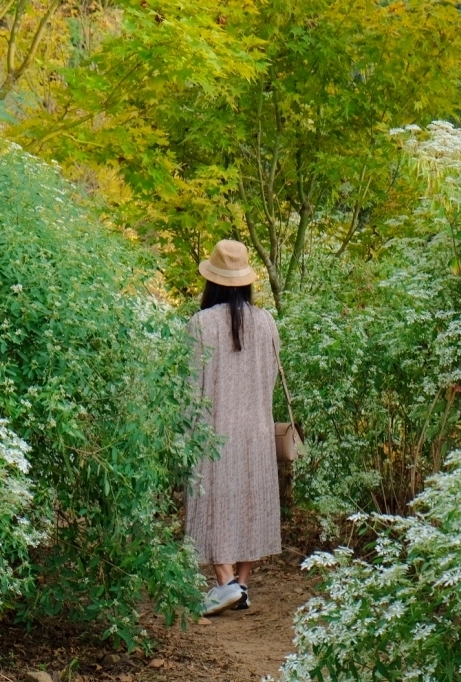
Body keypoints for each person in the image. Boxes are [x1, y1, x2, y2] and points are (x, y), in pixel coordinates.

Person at [185, 239, 282, 616]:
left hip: (213, 430)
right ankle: (241, 584)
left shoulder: (200, 324)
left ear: (212, 281)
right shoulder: (266, 322)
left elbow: (191, 386)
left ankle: (225, 583)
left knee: (211, 502)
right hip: (257, 430)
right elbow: (270, 378)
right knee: (250, 502)